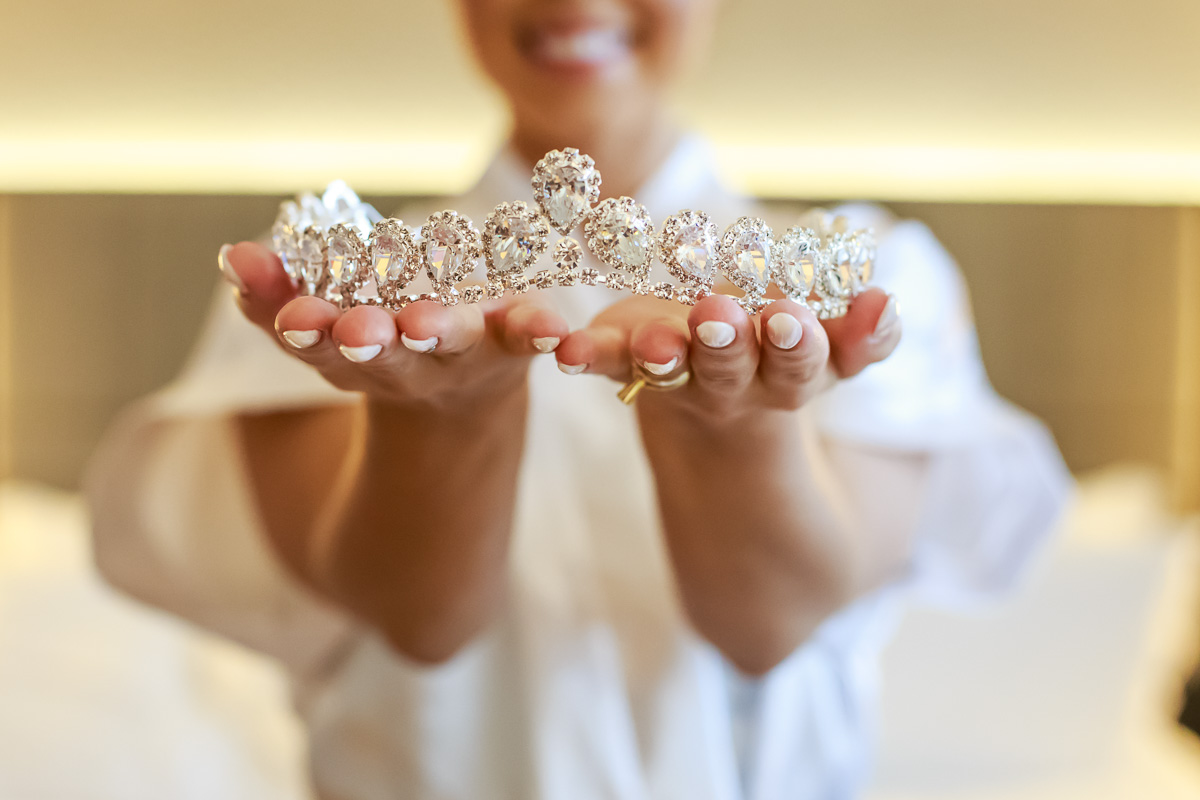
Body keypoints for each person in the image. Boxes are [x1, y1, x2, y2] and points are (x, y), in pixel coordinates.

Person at [86, 0, 1071, 797]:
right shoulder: (334, 283)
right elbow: (418, 620)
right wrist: (441, 417)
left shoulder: (872, 273)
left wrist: (729, 423)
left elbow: (769, 623)